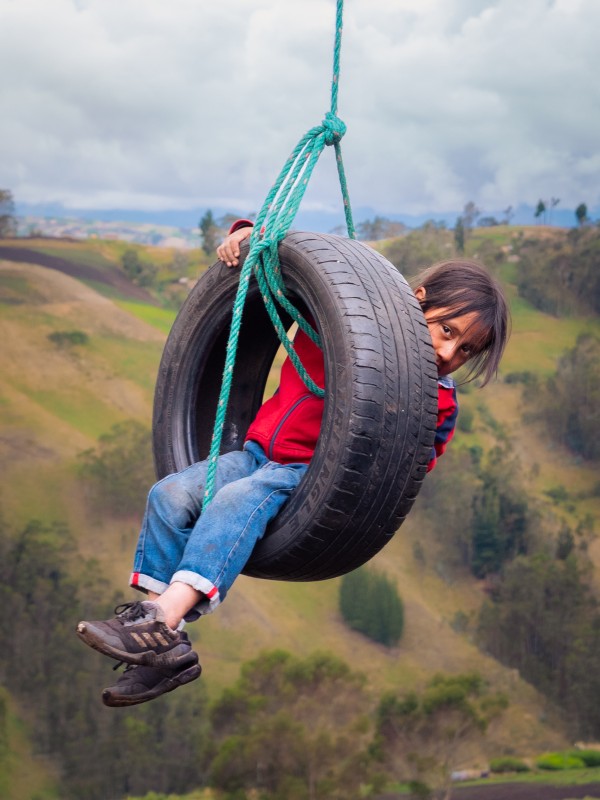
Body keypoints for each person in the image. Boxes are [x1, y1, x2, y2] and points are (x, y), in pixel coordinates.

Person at [76, 221, 509, 707]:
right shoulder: (345, 322)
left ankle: (160, 622)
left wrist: (402, 411)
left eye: (466, 349)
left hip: (308, 479)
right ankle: (159, 648)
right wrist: (247, 235)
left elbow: (404, 470)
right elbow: (286, 269)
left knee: (236, 500)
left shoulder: (437, 400)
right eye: (446, 330)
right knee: (170, 494)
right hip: (257, 454)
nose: (449, 352)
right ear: (419, 299)